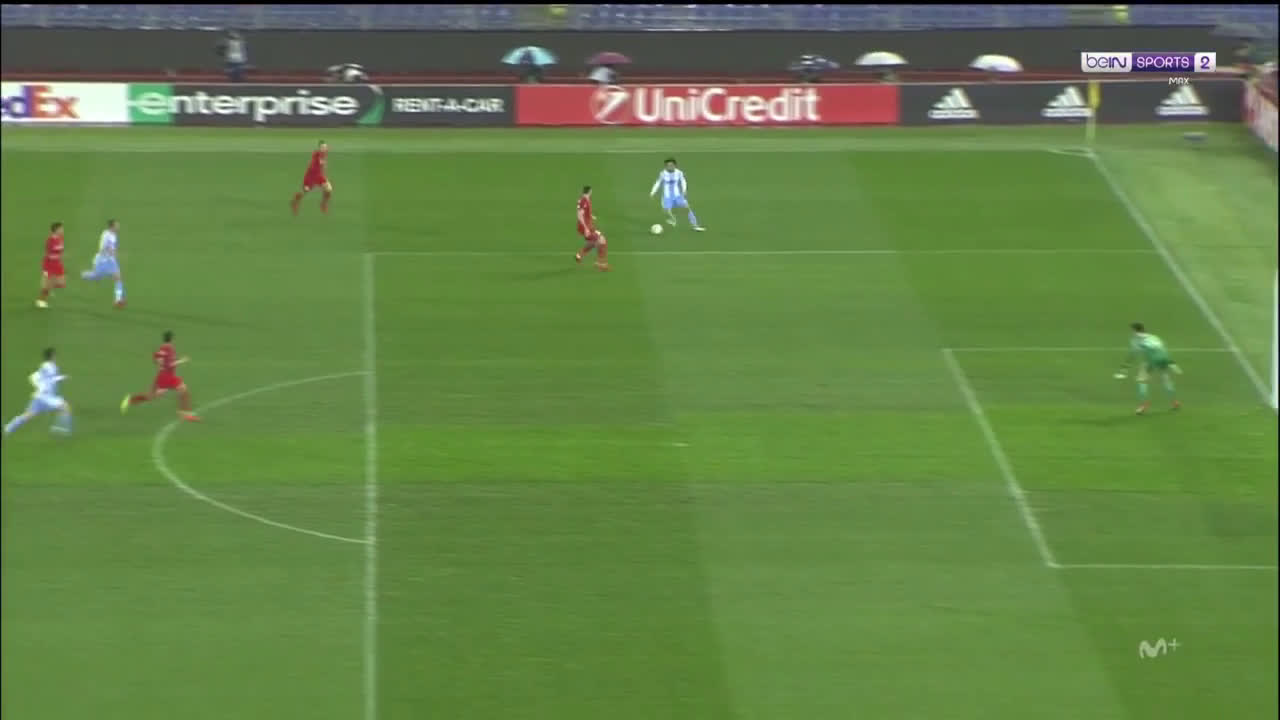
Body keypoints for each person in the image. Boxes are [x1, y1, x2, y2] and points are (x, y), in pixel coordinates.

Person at [121, 331, 201, 422]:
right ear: (172, 339)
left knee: (151, 396)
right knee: (183, 390)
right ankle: (185, 413)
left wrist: (164, 364)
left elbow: (156, 359)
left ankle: (130, 400)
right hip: (168, 377)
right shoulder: (170, 349)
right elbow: (169, 364)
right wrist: (182, 360)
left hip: (161, 376)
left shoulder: (160, 349)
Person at [4, 348, 72, 436]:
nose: (56, 357)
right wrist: (62, 378)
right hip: (47, 397)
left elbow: (33, 377)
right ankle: (61, 429)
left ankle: (9, 428)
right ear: (52, 356)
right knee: (65, 407)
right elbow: (51, 379)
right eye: (54, 355)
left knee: (28, 415)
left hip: (39, 396)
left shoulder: (43, 366)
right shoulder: (51, 367)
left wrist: (40, 386)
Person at [1118, 322, 1182, 415]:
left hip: (1152, 359)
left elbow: (1132, 354)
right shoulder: (1154, 337)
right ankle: (1175, 402)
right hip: (1164, 357)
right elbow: (1163, 349)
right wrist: (1172, 362)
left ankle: (1143, 405)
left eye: (1132, 331)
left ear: (1135, 331)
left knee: (1142, 381)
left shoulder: (1136, 340)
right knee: (1166, 379)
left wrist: (1124, 367)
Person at [81, 219, 126, 308]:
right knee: (96, 277)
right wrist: (112, 252)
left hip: (111, 261)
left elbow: (111, 247)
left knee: (118, 278)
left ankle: (118, 300)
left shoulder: (111, 234)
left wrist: (113, 253)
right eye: (117, 225)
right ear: (112, 227)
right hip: (102, 261)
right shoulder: (107, 235)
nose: (118, 227)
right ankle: (84, 275)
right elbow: (104, 247)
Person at [649, 158, 705, 231]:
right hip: (667, 197)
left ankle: (695, 225)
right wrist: (652, 192)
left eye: (671, 165)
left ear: (675, 165)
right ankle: (673, 219)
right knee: (666, 211)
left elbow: (683, 181)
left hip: (677, 195)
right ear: (665, 166)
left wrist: (684, 190)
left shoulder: (679, 173)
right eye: (668, 166)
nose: (670, 167)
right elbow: (658, 183)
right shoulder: (663, 174)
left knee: (687, 209)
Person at [291, 140, 332, 215]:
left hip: (319, 175)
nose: (324, 148)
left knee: (329, 188)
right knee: (305, 191)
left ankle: (323, 204)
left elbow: (323, 164)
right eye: (322, 147)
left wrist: (323, 171)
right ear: (319, 148)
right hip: (311, 175)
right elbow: (321, 162)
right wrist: (323, 163)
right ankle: (295, 202)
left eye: (325, 147)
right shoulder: (316, 153)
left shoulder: (325, 153)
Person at [575, 185, 609, 271]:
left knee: (594, 242)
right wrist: (586, 228)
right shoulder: (584, 201)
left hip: (587, 226)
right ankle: (600, 263)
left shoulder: (583, 199)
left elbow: (583, 212)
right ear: (589, 191)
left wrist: (590, 216)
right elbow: (579, 215)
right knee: (602, 240)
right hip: (586, 227)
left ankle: (579, 255)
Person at [36, 221, 66, 309]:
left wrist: (61, 256)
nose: (62, 230)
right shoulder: (50, 240)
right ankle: (41, 301)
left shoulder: (60, 238)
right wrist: (56, 255)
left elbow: (60, 250)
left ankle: (48, 288)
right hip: (50, 264)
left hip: (57, 263)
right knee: (48, 284)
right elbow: (49, 252)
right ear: (56, 230)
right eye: (61, 229)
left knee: (61, 283)